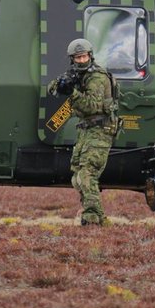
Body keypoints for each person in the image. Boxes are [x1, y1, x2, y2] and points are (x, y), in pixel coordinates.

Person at [48, 38, 118, 225]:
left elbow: (92, 106)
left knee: (87, 175)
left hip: (101, 130)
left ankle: (92, 219)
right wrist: (60, 86)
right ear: (72, 59)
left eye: (84, 56)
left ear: (90, 55)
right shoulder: (77, 74)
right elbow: (53, 87)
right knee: (77, 177)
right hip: (87, 130)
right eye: (77, 58)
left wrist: (72, 93)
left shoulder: (97, 77)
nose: (81, 60)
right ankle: (100, 219)